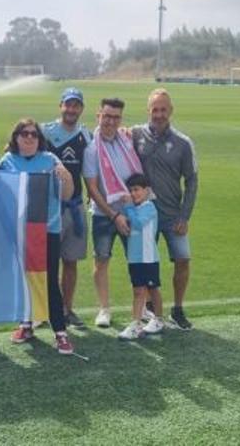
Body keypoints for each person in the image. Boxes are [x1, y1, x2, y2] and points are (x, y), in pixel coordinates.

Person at [0, 118, 76, 355]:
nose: (29, 137)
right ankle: (26, 324)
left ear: (39, 138)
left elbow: (66, 195)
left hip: (46, 230)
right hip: (19, 231)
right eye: (24, 133)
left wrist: (67, 177)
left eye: (33, 133)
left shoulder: (51, 160)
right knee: (22, 279)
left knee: (49, 280)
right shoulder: (7, 161)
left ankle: (60, 332)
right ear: (16, 137)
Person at [131, 88, 199, 330]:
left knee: (182, 259)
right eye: (154, 109)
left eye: (163, 109)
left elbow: (192, 180)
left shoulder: (183, 143)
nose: (159, 114)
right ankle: (150, 307)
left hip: (172, 216)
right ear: (148, 111)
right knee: (145, 263)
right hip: (144, 216)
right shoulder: (135, 134)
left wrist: (184, 215)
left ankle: (178, 309)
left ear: (171, 111)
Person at [82, 98, 144, 328]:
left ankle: (141, 308)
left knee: (138, 260)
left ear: (121, 119)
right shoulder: (91, 149)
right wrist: (114, 216)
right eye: (106, 116)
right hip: (103, 214)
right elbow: (92, 188)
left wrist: (129, 210)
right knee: (101, 260)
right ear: (98, 115)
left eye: (115, 117)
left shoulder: (128, 140)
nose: (110, 121)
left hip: (132, 211)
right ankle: (104, 309)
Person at [41, 87, 92, 330]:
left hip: (75, 207)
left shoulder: (86, 135)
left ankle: (66, 309)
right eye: (68, 104)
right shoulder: (45, 131)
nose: (71, 109)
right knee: (44, 262)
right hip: (48, 208)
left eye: (76, 105)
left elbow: (92, 171)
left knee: (70, 261)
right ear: (60, 105)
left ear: (81, 109)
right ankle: (42, 312)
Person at [116, 173, 166, 340]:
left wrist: (128, 207)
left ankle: (158, 319)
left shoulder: (149, 208)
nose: (134, 194)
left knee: (152, 289)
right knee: (138, 290)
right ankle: (137, 324)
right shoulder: (133, 208)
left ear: (146, 190)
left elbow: (137, 223)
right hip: (135, 258)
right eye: (131, 190)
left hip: (149, 258)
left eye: (137, 190)